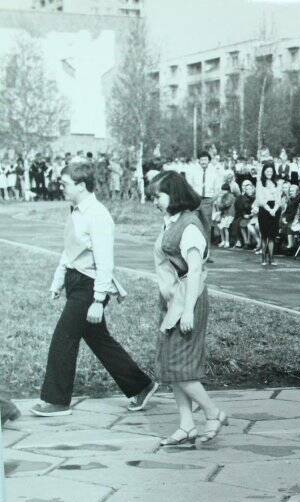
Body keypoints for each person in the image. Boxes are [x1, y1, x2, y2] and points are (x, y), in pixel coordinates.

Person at [31, 162, 158, 417]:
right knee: (98, 339)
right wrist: (57, 282)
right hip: (75, 281)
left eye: (65, 183)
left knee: (63, 338)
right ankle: (141, 385)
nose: (61, 187)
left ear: (81, 185)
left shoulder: (97, 214)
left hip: (89, 286)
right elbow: (69, 252)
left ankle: (56, 401)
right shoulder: (76, 210)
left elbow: (105, 262)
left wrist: (98, 300)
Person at [150, 171, 228, 445]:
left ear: (175, 195)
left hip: (189, 300)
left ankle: (213, 412)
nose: (154, 200)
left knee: (180, 366)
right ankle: (186, 425)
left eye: (158, 195)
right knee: (171, 367)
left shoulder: (190, 226)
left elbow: (194, 271)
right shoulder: (171, 222)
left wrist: (187, 311)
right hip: (175, 300)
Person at [185, 151, 221, 260]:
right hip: (196, 201)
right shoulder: (193, 171)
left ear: (209, 161)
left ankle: (206, 254)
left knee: (206, 227)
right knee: (193, 226)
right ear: (198, 161)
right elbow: (188, 186)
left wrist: (212, 200)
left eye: (205, 160)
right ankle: (193, 253)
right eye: (201, 160)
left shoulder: (214, 172)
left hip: (207, 201)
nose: (203, 162)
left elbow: (217, 188)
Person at [256, 164, 281, 265]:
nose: (269, 173)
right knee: (264, 235)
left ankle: (271, 258)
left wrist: (274, 209)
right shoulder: (260, 183)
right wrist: (269, 209)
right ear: (263, 172)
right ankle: (263, 258)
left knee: (272, 235)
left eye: (271, 171)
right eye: (267, 171)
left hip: (275, 209)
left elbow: (278, 198)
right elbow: (260, 199)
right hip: (264, 209)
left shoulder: (277, 183)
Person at [234, 180, 257, 249]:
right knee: (242, 223)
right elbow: (240, 209)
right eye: (245, 187)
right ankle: (246, 241)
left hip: (254, 216)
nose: (248, 190)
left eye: (250, 188)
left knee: (249, 222)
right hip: (243, 216)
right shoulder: (241, 197)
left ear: (253, 188)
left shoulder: (256, 197)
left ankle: (249, 241)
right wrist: (244, 214)